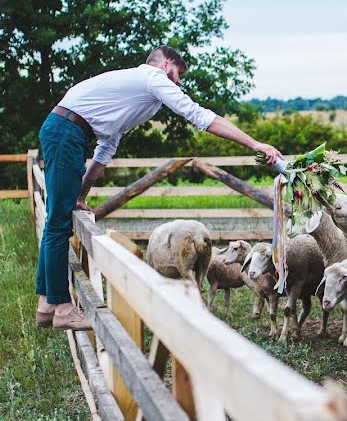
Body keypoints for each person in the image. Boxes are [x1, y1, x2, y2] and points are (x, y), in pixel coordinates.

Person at [34, 45, 283, 331]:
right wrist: (255, 144)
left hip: (69, 132)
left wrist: (81, 193)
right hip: (68, 133)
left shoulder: (140, 96)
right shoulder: (152, 79)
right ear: (165, 65)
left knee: (58, 218)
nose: (178, 84)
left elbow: (107, 145)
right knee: (58, 223)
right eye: (177, 76)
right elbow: (199, 115)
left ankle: (45, 306)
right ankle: (62, 307)